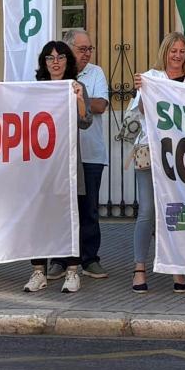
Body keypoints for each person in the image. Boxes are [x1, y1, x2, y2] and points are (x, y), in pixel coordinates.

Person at [130, 31, 185, 294]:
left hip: (182, 155)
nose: (177, 55)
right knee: (147, 209)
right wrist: (142, 91)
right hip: (151, 150)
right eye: (173, 51)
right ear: (165, 52)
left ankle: (177, 266)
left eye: (182, 51)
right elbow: (141, 112)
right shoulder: (151, 78)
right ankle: (139, 267)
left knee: (178, 208)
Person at [27, 39, 93, 295]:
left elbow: (85, 121)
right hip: (41, 166)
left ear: (68, 61)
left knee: (71, 217)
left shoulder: (77, 86)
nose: (55, 62)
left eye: (61, 57)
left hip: (68, 164)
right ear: (44, 63)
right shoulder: (35, 90)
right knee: (38, 218)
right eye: (50, 58)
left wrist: (77, 98)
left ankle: (73, 271)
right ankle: (38, 272)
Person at [69, 30, 110, 280]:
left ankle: (90, 258)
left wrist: (75, 97)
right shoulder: (58, 73)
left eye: (89, 49)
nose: (87, 54)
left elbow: (100, 106)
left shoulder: (96, 73)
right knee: (64, 208)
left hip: (91, 152)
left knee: (89, 210)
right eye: (81, 49)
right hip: (63, 154)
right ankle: (62, 261)